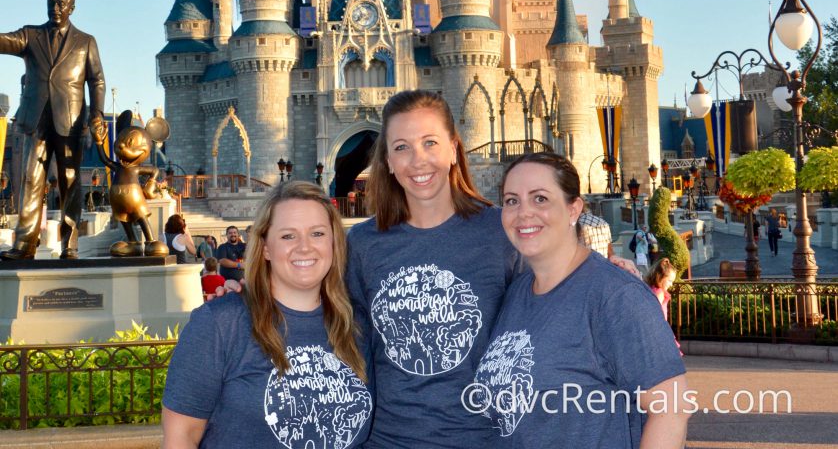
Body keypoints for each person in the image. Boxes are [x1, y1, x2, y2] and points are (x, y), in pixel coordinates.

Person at [473, 152, 688, 448]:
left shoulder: (615, 295)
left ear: (573, 209)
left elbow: (672, 409)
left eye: (540, 199)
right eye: (512, 201)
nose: (523, 213)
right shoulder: (517, 293)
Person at [345, 90, 520, 449]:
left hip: (486, 439)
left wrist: (605, 274)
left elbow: (554, 302)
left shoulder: (502, 232)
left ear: (453, 149)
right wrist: (241, 298)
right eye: (402, 147)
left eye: (430, 143)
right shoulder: (362, 244)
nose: (418, 160)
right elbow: (328, 320)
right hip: (389, 440)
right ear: (388, 161)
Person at [162, 181, 372, 449]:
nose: (305, 247)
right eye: (288, 236)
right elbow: (180, 437)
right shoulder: (221, 323)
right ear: (265, 247)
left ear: (334, 242)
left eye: (318, 233)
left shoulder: (357, 325)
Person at [0, 0, 106, 260]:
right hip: (36, 120)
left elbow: (97, 80)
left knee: (69, 181)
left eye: (61, 4)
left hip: (70, 121)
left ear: (71, 8)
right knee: (30, 179)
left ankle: (70, 245)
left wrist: (97, 113)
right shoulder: (30, 35)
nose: (55, 8)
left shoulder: (85, 41)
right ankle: (24, 244)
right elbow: (4, 41)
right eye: (51, 3)